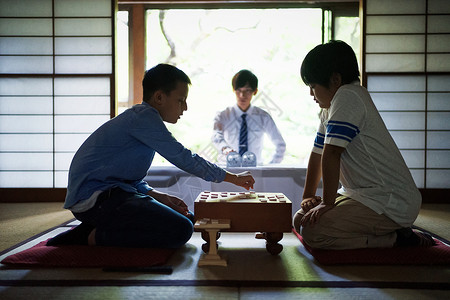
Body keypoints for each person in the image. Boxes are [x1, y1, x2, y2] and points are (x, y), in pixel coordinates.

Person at [47, 64, 255, 249]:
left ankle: (98, 227)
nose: (185, 107)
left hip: (113, 195)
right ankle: (90, 236)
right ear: (159, 97)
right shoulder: (143, 118)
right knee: (181, 229)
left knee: (188, 219)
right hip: (94, 200)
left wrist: (159, 196)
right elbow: (184, 158)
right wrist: (233, 178)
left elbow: (128, 179)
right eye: (181, 100)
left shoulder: (145, 121)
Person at [292, 40, 434, 250]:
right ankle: (394, 234)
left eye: (313, 86)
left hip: (390, 201)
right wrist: (308, 197)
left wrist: (327, 203)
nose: (311, 94)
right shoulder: (328, 108)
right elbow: (317, 154)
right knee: (300, 219)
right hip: (360, 195)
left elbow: (331, 153)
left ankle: (397, 240)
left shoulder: (349, 96)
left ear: (335, 79)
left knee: (314, 232)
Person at [212, 69, 286, 165]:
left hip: (255, 171)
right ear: (233, 90)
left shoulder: (263, 117)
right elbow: (216, 136)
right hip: (227, 170)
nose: (242, 95)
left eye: (247, 91)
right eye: (239, 91)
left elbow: (280, 145)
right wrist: (225, 148)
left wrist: (269, 168)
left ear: (255, 91)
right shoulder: (223, 115)